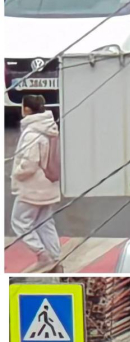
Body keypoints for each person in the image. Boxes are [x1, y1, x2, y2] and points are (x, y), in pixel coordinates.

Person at [11, 95, 62, 273]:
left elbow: (29, 163)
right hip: (48, 185)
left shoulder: (32, 133)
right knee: (45, 222)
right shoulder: (50, 128)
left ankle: (42, 255)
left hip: (33, 188)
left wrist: (17, 173)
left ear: (27, 109)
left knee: (19, 221)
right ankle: (55, 257)